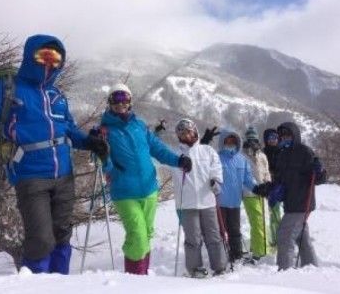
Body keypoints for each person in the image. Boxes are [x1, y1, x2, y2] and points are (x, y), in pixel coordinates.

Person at [0, 34, 109, 274]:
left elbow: (69, 130)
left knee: (62, 236)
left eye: (55, 58)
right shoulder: (6, 88)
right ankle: (34, 284)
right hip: (30, 175)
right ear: (29, 56)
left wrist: (89, 142)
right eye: (43, 55)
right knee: (41, 240)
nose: (49, 62)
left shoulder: (57, 96)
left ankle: (61, 286)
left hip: (65, 175)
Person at [100, 84, 192, 275]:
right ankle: (135, 280)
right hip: (125, 192)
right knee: (138, 236)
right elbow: (101, 159)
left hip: (150, 189)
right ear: (110, 103)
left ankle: (142, 277)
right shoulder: (105, 130)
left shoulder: (139, 125)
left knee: (147, 234)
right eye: (116, 99)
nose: (120, 103)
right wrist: (107, 166)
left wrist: (178, 160)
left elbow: (157, 148)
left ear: (130, 101)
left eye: (124, 98)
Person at [253, 122, 327, 271]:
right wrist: (267, 188)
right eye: (282, 136)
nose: (285, 138)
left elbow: (319, 178)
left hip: (302, 203)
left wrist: (319, 170)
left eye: (288, 135)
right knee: (302, 238)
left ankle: (285, 272)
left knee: (285, 235)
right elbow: (280, 181)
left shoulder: (304, 152)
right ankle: (311, 267)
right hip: (291, 202)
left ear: (295, 135)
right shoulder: (282, 155)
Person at [168, 118, 226, 278]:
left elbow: (216, 167)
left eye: (188, 131)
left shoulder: (207, 151)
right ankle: (195, 269)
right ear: (178, 136)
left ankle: (220, 266)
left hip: (207, 201)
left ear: (195, 131)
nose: (186, 135)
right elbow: (158, 153)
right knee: (193, 238)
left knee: (214, 235)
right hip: (187, 204)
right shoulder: (175, 155)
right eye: (182, 132)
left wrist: (216, 180)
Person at [217, 130, 255, 263]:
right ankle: (221, 255)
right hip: (220, 202)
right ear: (222, 142)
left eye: (233, 142)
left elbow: (248, 179)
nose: (230, 144)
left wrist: (258, 188)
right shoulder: (216, 157)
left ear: (237, 143)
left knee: (235, 229)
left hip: (235, 202)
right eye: (227, 141)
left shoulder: (242, 160)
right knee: (221, 231)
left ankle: (236, 254)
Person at [241, 126, 272, 262]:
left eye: (254, 139)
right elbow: (243, 176)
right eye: (250, 139)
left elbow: (266, 173)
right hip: (249, 193)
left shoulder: (262, 155)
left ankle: (256, 246)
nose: (252, 142)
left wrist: (268, 185)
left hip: (262, 193)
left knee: (261, 220)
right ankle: (261, 252)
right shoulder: (242, 155)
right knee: (257, 221)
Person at [262, 128, 281, 247]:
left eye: (275, 137)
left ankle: (284, 238)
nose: (273, 140)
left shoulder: (282, 150)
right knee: (274, 213)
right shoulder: (263, 153)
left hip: (283, 185)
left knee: (289, 215)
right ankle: (276, 239)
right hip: (270, 186)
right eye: (270, 138)